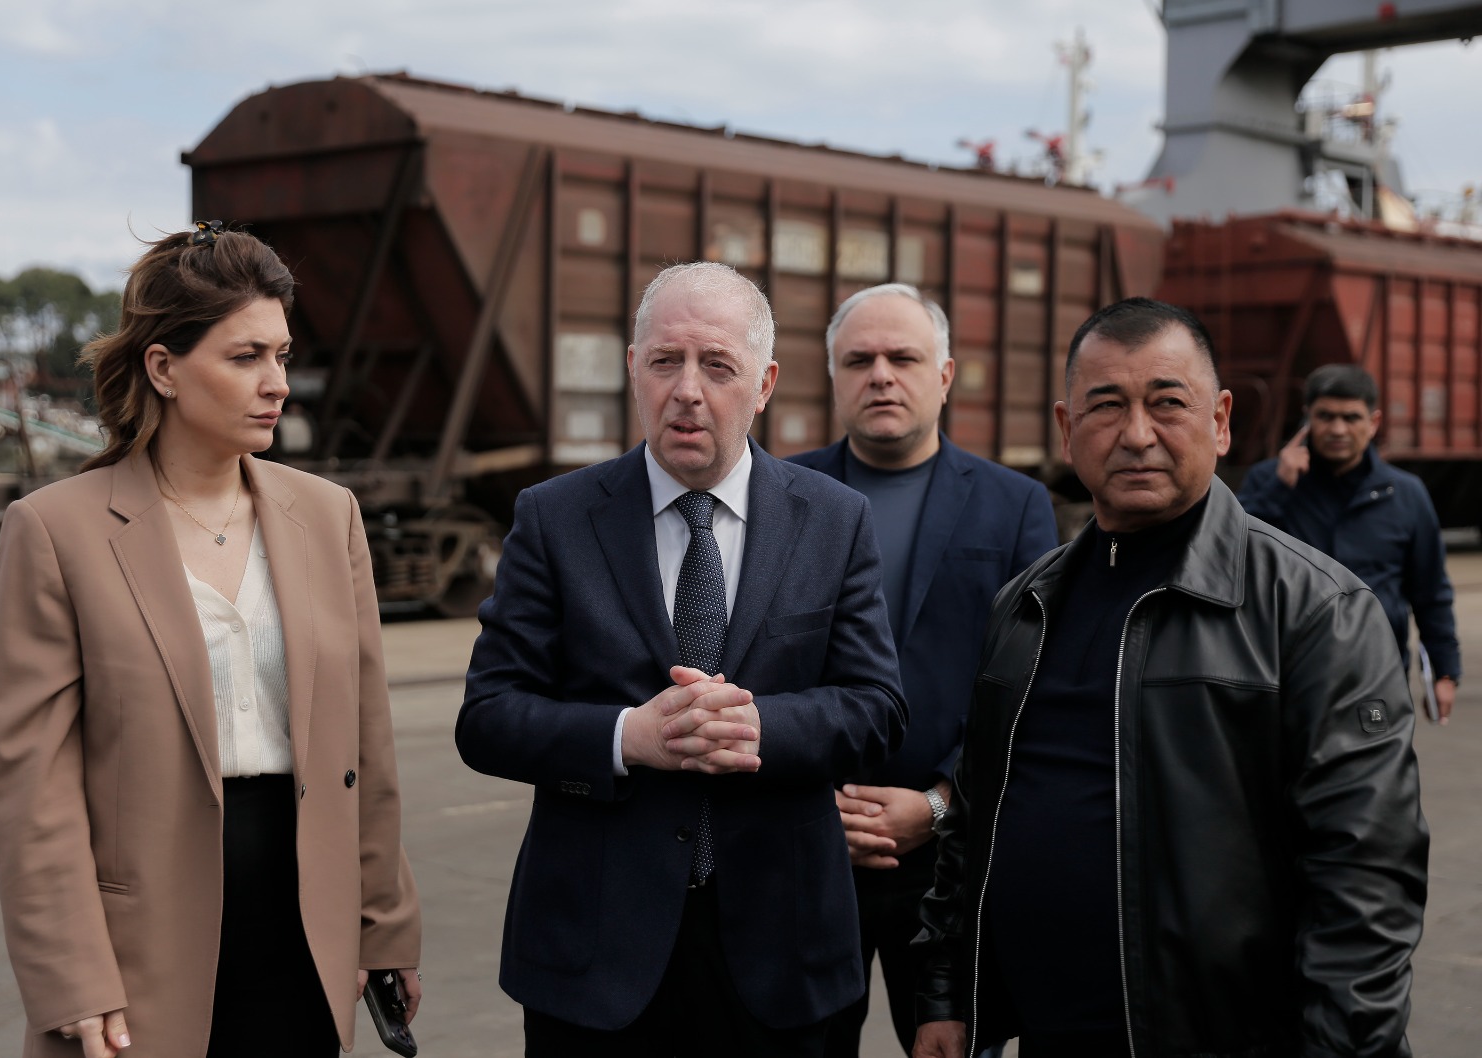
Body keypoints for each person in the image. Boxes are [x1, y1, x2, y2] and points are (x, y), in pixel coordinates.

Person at [912, 298, 1427, 1058]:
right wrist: (946, 994)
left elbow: (1366, 880)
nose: (1137, 434)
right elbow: (974, 821)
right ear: (1065, 430)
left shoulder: (1317, 610)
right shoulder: (1026, 605)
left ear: (1220, 421)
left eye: (1167, 403)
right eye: (1107, 406)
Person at [0, 223, 422, 1058]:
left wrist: (385, 920)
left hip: (306, 930)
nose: (277, 383)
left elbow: (365, 745)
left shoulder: (328, 516)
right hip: (142, 947)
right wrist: (72, 976)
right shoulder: (56, 531)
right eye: (245, 356)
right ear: (164, 368)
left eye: (282, 355)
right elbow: (33, 792)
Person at [456, 261, 908, 1057]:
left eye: (718, 366)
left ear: (764, 384)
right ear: (634, 369)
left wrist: (760, 727)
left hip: (784, 955)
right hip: (596, 958)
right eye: (666, 361)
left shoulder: (835, 521)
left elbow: (877, 709)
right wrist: (627, 738)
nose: (688, 390)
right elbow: (489, 717)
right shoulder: (555, 518)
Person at [786, 283, 1055, 1057]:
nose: (881, 375)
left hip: (949, 866)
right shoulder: (776, 496)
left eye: (903, 358)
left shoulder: (1015, 507)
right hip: (807, 851)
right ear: (832, 376)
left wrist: (939, 805)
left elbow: (1031, 685)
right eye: (858, 360)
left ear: (944, 375)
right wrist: (814, 802)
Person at [1238, 364, 1460, 722]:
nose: (1338, 429)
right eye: (1325, 416)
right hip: (1285, 675)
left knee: (1381, 760)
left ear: (1373, 422)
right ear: (1307, 418)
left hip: (1377, 675)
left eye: (1351, 417)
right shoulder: (1270, 482)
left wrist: (1445, 671)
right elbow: (1235, 557)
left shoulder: (1405, 494)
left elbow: (1431, 592)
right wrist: (1279, 488)